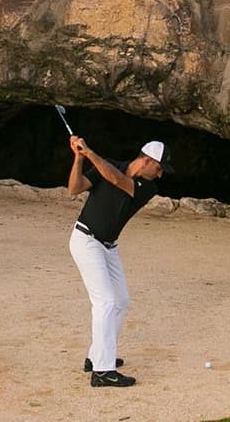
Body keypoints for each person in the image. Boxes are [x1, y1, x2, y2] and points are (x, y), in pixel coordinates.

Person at [67, 134, 170, 387]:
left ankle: (96, 355)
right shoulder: (108, 164)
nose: (160, 175)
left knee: (121, 301)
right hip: (85, 240)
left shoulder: (148, 187)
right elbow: (74, 188)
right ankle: (102, 371)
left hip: (108, 247)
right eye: (159, 168)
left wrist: (90, 152)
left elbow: (117, 179)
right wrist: (79, 158)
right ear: (145, 161)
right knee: (106, 302)